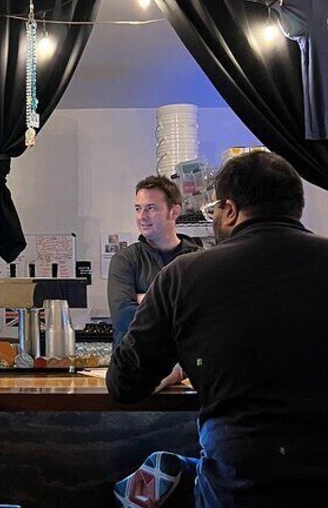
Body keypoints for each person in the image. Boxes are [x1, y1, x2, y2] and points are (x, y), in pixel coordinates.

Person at [107, 151, 328, 506]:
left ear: (229, 210)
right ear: (296, 208)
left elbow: (124, 384)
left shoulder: (182, 276)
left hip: (237, 484)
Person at [108, 175, 201, 347]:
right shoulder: (124, 260)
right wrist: (179, 305)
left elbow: (206, 319)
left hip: (188, 369)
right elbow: (124, 318)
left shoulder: (199, 259)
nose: (142, 216)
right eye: (138, 209)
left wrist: (146, 299)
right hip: (136, 368)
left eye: (151, 208)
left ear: (174, 212)